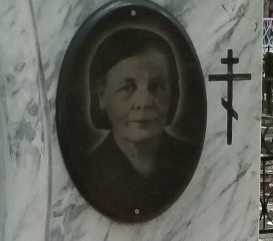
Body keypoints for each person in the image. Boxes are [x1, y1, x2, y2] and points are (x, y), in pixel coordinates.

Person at [73, 26, 194, 219]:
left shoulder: (189, 161)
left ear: (172, 93)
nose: (144, 102)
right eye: (128, 87)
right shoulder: (89, 172)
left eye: (156, 86)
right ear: (102, 94)